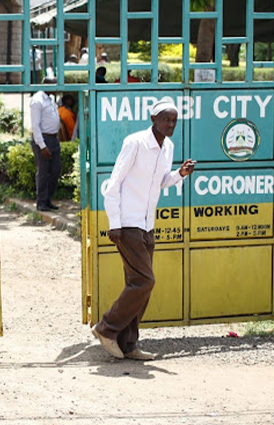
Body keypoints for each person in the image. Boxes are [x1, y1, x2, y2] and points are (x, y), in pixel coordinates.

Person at [91, 97, 196, 360]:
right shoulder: (135, 143)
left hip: (147, 224)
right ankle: (106, 328)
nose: (171, 124)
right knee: (145, 281)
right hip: (128, 223)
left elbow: (161, 182)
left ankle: (128, 344)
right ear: (153, 119)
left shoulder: (168, 147)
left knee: (139, 285)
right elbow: (114, 184)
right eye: (166, 119)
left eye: (174, 120)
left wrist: (180, 175)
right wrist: (114, 224)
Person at [30, 76, 61, 212]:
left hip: (53, 139)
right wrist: (42, 146)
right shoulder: (37, 100)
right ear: (47, 85)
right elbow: (35, 126)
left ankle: (48, 199)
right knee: (43, 172)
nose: (56, 88)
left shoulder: (51, 99)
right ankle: (41, 201)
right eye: (54, 85)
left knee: (55, 171)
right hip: (43, 139)